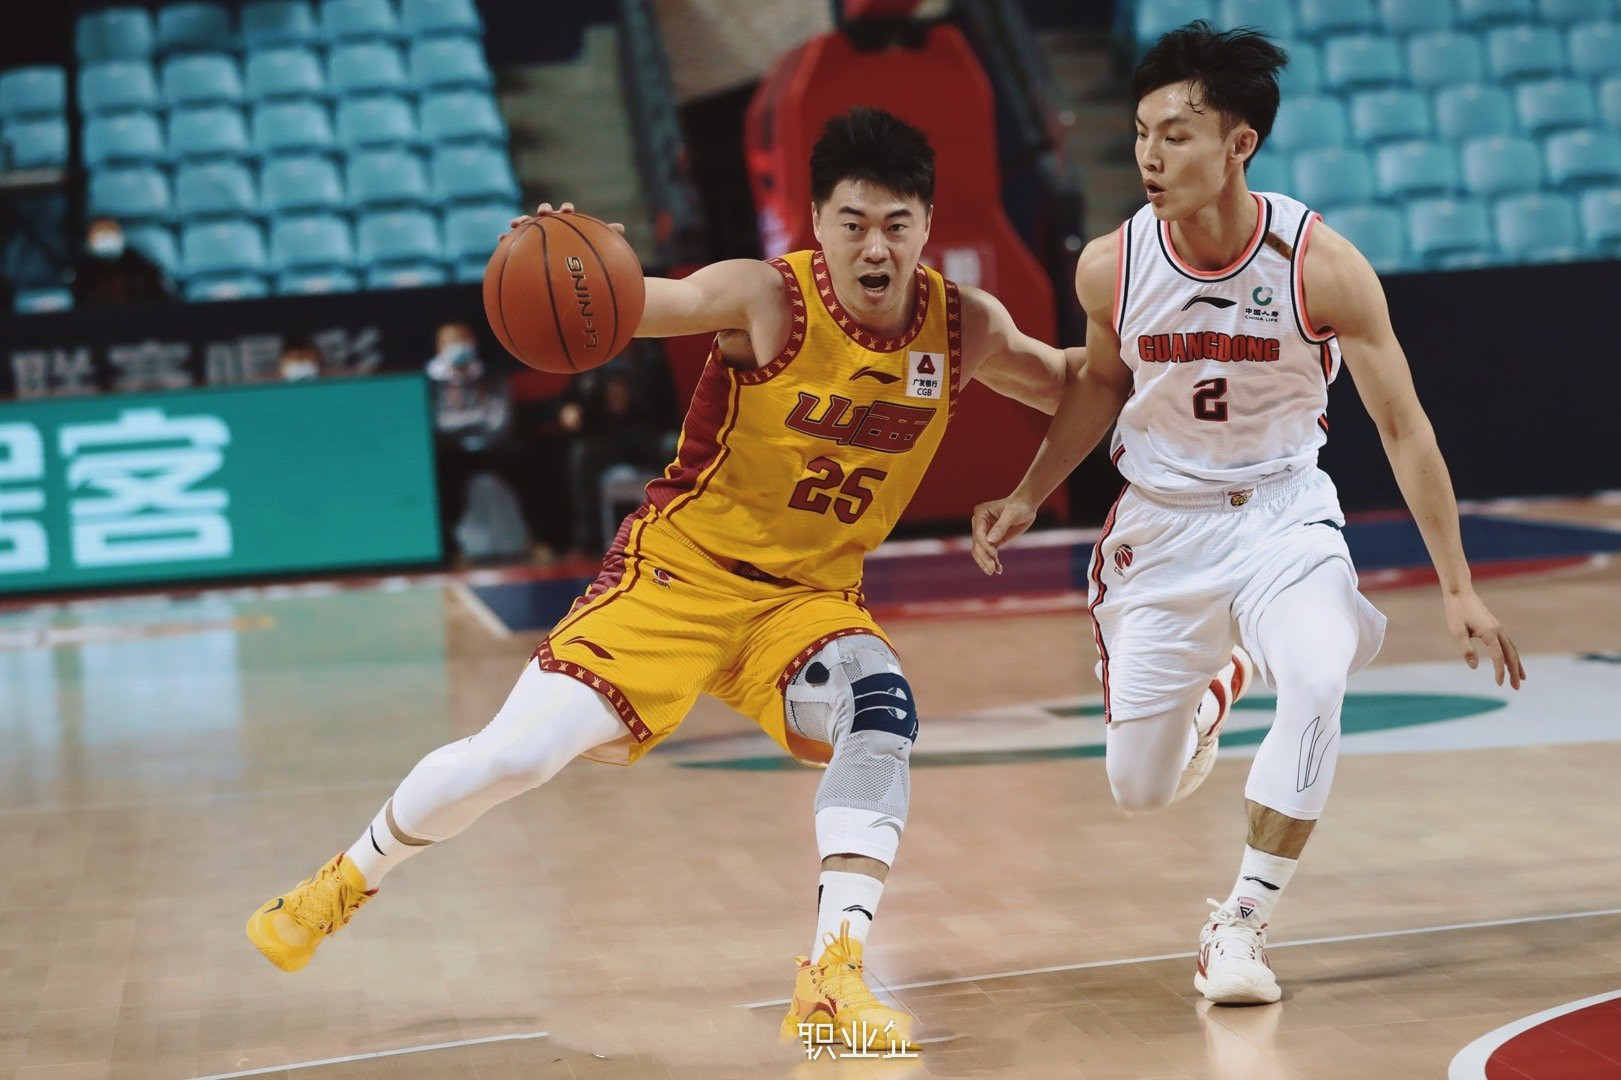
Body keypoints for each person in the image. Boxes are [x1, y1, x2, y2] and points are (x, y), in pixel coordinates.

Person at [246, 107, 1084, 1051]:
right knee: (513, 760)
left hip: (804, 608)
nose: (875, 247)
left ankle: (833, 970)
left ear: (927, 227)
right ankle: (347, 878)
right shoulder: (765, 297)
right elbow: (644, 304)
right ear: (816, 222)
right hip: (674, 579)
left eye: (896, 224)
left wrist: (1172, 370)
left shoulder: (961, 325)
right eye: (852, 223)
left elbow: (1067, 382)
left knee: (881, 714)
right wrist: (573, 264)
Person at [970, 23, 1526, 1007]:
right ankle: (1224, 673)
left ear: (1239, 145)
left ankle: (1239, 922)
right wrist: (1026, 490)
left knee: (1316, 676)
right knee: (1139, 789)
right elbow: (1099, 383)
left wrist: (1458, 587)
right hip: (1163, 526)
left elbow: (1403, 429)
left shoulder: (1321, 268)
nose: (1148, 154)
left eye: (1175, 134)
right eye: (1142, 132)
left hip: (1282, 513)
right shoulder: (1112, 265)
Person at [426, 320, 554, 564]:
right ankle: (450, 549)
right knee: (439, 476)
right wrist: (476, 421)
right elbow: (436, 426)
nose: (458, 347)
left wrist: (461, 425)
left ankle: (542, 539)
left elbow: (501, 424)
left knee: (532, 464)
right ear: (439, 347)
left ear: (472, 343)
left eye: (462, 341)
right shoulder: (430, 384)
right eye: (451, 342)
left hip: (493, 448)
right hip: (453, 453)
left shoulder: (491, 376)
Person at [73, 216, 168, 306]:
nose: (105, 238)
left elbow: (162, 300)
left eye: (109, 231)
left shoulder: (141, 267)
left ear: (120, 236)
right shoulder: (82, 273)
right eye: (99, 234)